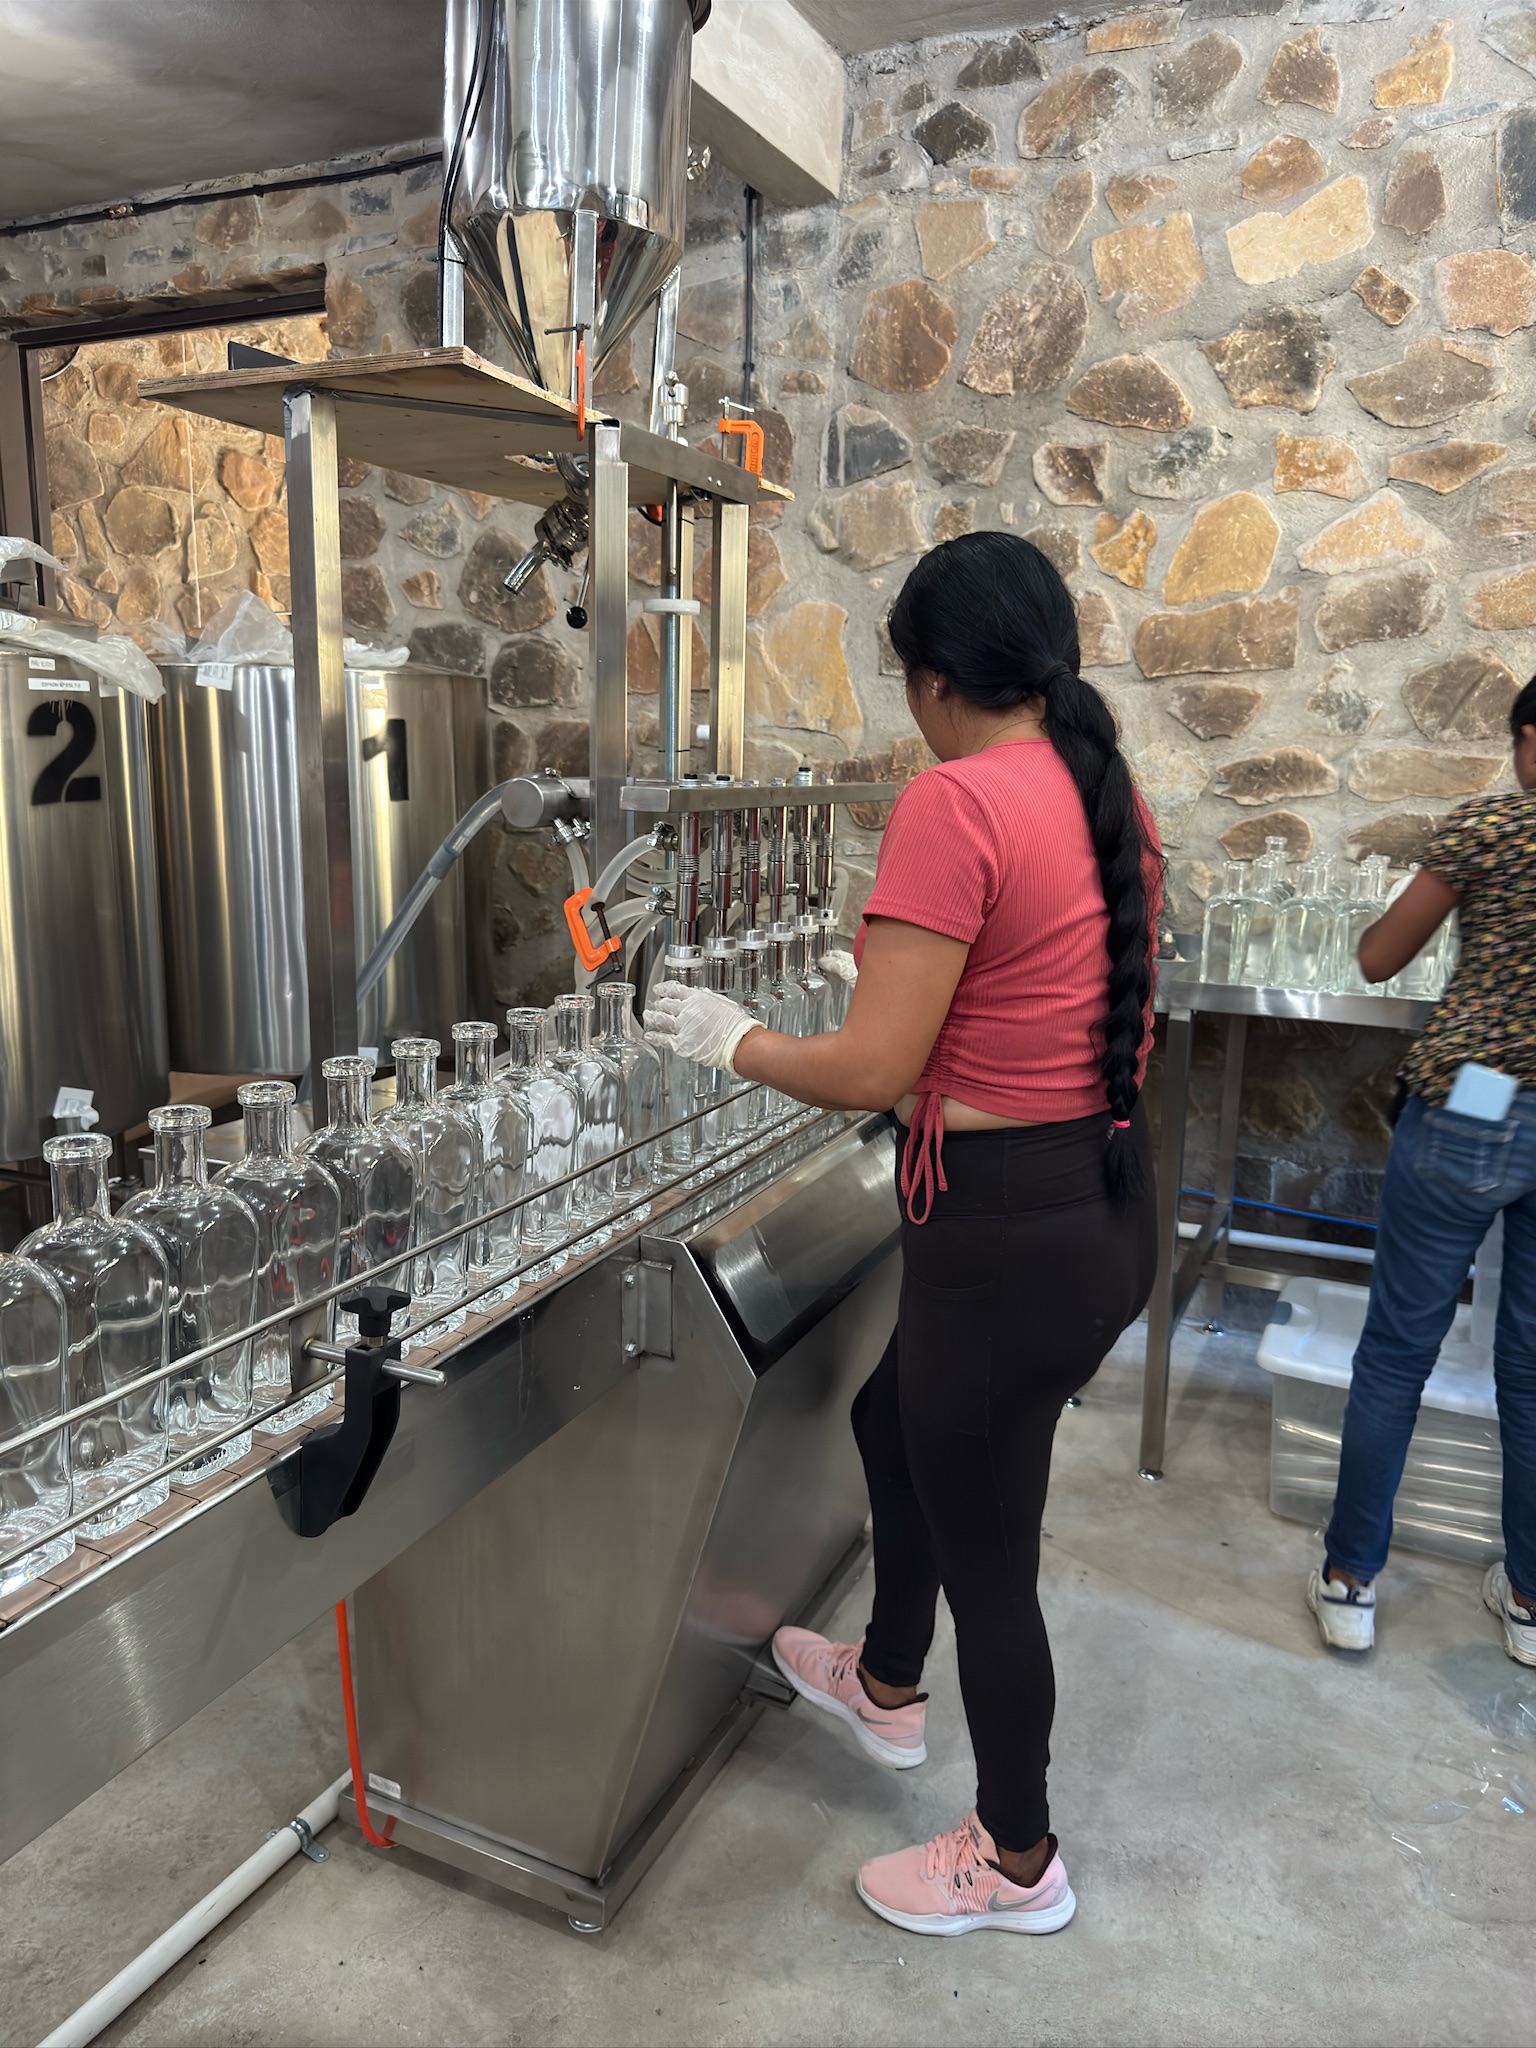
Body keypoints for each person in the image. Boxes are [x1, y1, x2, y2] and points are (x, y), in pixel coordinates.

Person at [646, 532, 1162, 1938]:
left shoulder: (955, 799)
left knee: (994, 1552)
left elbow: (874, 1072)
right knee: (896, 1422)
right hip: (1100, 1206)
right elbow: (1019, 998)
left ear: (934, 683)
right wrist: (882, 987)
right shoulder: (1097, 785)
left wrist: (733, 1033)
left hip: (1004, 1238)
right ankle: (880, 1684)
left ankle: (1014, 1858)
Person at [1308, 680, 1536, 1663]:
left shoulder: (1492, 827)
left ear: (1530, 741)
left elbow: (1377, 954)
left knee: (1399, 1349)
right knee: (1533, 1368)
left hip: (1480, 1100)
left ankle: (1351, 1580)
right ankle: (1529, 1599)